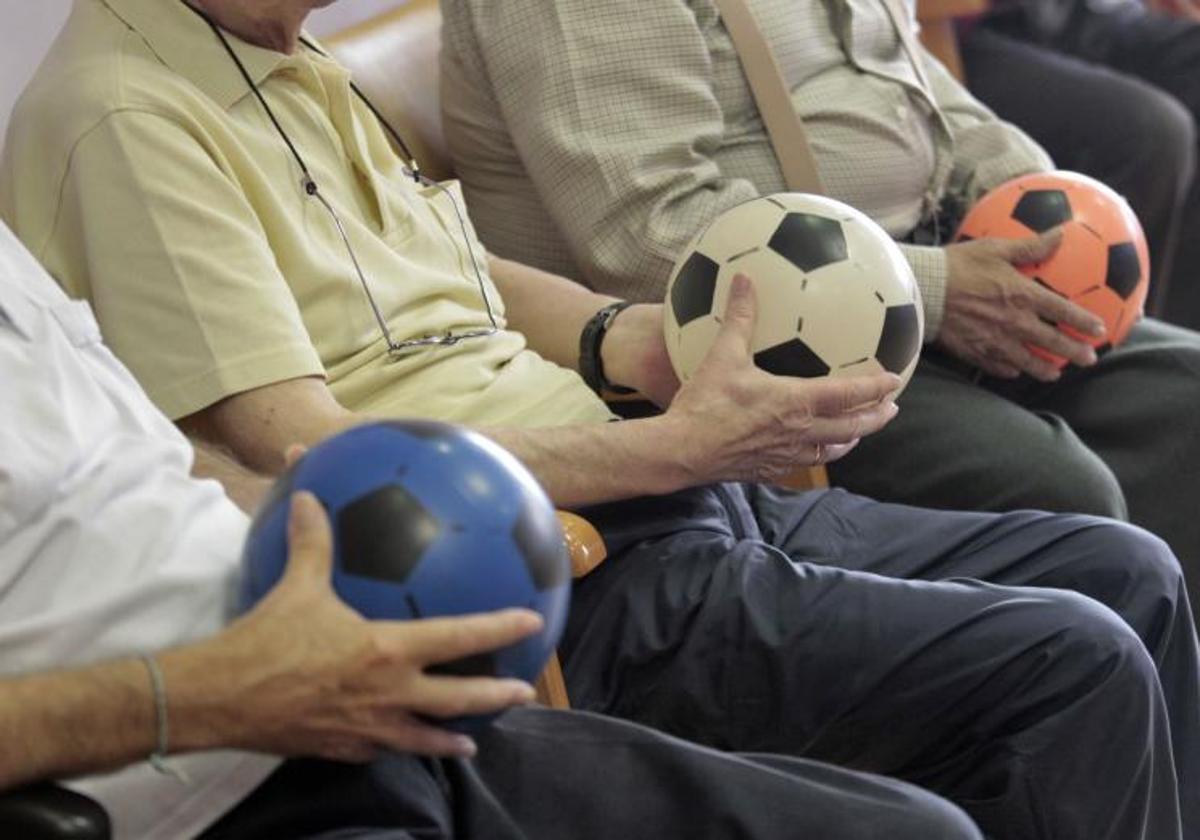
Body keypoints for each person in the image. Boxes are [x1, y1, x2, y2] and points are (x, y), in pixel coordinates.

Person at [2, 1, 1199, 837]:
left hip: (673, 483)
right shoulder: (129, 114)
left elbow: (470, 281)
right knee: (1069, 663)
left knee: (1127, 571)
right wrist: (671, 446)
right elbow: (308, 456)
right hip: (574, 553)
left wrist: (641, 342)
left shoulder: (292, 63)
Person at [0, 221, 984, 840]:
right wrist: (204, 695)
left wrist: (318, 513)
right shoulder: (127, 106)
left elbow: (145, 469)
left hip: (369, 697)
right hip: (207, 781)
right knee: (1062, 654)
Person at [438, 0, 1200, 614]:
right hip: (755, 357)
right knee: (1062, 492)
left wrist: (1032, 201)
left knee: (1188, 400)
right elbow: (650, 239)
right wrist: (936, 291)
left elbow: (919, 88)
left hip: (920, 270)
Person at [960, 0, 1200, 329]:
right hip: (970, 28)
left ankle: (1184, 338)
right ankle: (1119, 336)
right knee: (1153, 131)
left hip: (1081, 12)